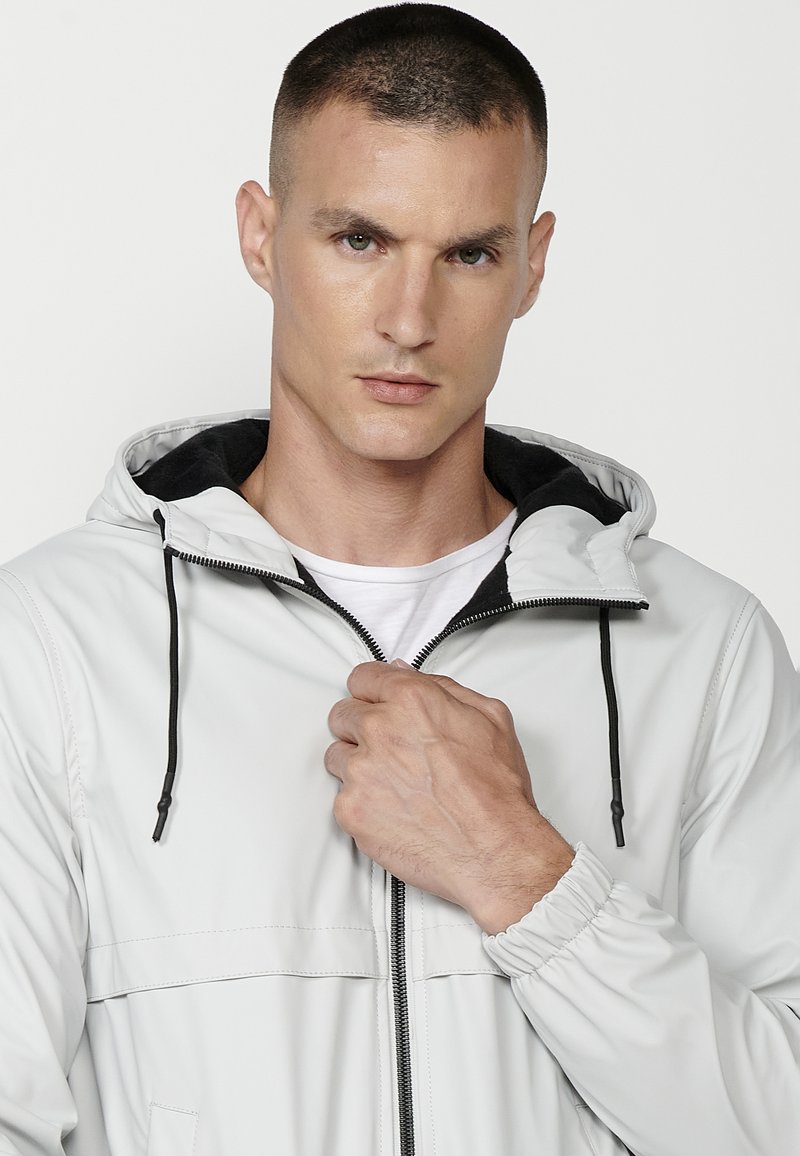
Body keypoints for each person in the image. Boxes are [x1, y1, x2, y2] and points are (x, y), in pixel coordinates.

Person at [0, 3, 798, 1153]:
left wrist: (524, 874)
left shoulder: (704, 650)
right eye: (359, 241)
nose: (409, 320)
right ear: (260, 236)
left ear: (531, 263)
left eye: (468, 254)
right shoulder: (51, 643)